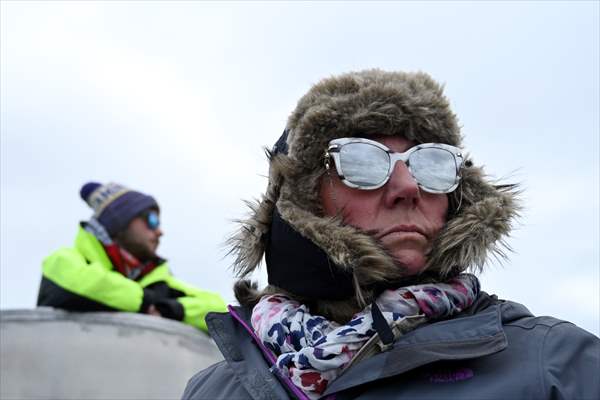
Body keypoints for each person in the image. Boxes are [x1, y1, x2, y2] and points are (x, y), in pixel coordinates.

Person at [182, 70, 600, 399]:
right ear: (303, 201)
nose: (408, 188)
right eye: (363, 162)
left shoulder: (558, 366)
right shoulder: (215, 390)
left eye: (432, 163)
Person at [37, 181, 226, 332]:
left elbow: (218, 309)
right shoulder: (65, 260)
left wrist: (169, 309)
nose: (160, 231)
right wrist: (147, 303)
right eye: (152, 220)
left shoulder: (160, 283)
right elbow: (82, 282)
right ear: (120, 223)